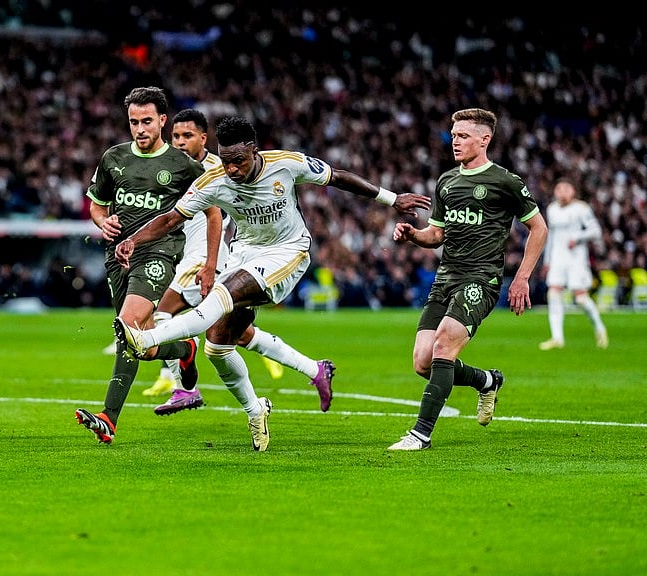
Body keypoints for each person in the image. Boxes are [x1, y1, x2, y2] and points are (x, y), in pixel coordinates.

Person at [115, 115, 430, 451]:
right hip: (244, 254)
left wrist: (391, 198)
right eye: (226, 161)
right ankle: (256, 410)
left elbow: (337, 178)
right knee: (217, 345)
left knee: (219, 297)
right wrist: (134, 239)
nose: (232, 169)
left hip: (288, 252)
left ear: (254, 151)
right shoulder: (214, 180)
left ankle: (146, 337)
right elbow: (172, 217)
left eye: (239, 161)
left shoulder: (287, 164)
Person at [149, 109, 337, 419]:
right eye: (176, 137)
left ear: (204, 139)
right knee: (231, 336)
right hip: (226, 255)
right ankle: (314, 369)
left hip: (213, 258)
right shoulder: (173, 169)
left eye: (188, 136)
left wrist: (210, 265)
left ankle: (185, 388)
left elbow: (213, 218)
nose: (180, 142)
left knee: (165, 312)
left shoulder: (214, 169)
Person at [386, 108, 548, 451]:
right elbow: (436, 236)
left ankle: (420, 434)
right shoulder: (446, 181)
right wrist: (413, 235)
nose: (455, 142)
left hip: (481, 279)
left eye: (462, 136)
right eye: (453, 135)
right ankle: (487, 380)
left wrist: (521, 278)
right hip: (445, 278)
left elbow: (538, 228)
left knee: (444, 344)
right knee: (423, 362)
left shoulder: (505, 181)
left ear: (484, 139)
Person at [74, 86, 217, 445]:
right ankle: (184, 350)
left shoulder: (183, 166)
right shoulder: (113, 158)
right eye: (134, 122)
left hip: (159, 253)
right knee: (143, 344)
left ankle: (109, 417)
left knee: (128, 325)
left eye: (147, 121)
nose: (140, 129)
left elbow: (213, 213)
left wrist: (210, 264)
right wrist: (101, 222)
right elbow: (97, 204)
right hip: (117, 255)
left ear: (163, 121)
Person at [538, 178, 608, 350]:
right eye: (558, 189)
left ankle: (600, 328)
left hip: (576, 259)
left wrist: (577, 238)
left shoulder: (581, 209)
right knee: (553, 294)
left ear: (573, 192)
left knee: (581, 298)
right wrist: (547, 261)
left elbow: (596, 231)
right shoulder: (552, 209)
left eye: (565, 189)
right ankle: (557, 338)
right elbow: (551, 236)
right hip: (557, 258)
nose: (561, 192)